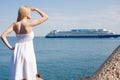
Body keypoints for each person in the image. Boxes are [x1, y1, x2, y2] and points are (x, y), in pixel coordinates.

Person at [1, 5, 48, 80]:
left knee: (18, 75)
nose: (31, 14)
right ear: (25, 13)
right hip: (28, 53)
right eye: (30, 12)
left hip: (17, 53)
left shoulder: (14, 25)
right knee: (29, 75)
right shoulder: (29, 24)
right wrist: (36, 9)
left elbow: (3, 36)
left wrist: (10, 47)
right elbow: (46, 17)